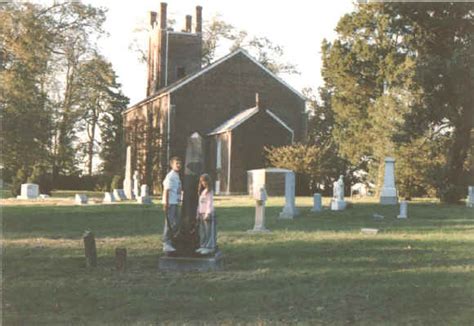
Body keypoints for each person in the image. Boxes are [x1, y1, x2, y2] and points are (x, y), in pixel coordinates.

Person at [162, 156, 182, 253]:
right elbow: (166, 190)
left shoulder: (177, 175)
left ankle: (172, 241)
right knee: (169, 223)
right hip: (170, 203)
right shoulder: (170, 176)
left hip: (176, 202)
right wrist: (166, 203)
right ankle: (166, 243)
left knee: (176, 223)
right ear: (172, 165)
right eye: (176, 163)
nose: (178, 165)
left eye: (179, 163)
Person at [195, 173, 217, 255]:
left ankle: (210, 247)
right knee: (202, 231)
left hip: (208, 214)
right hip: (201, 213)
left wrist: (208, 213)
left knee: (209, 231)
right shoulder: (202, 191)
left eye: (204, 181)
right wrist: (198, 213)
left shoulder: (210, 191)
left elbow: (209, 203)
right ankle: (203, 245)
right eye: (202, 181)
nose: (203, 183)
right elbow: (200, 203)